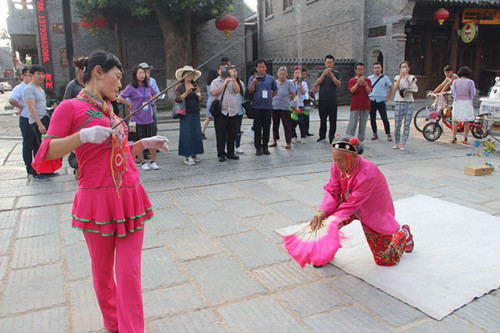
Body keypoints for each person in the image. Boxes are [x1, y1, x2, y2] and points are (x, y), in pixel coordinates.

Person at [31, 50, 170, 333]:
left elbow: (115, 154)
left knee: (129, 273)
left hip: (130, 195)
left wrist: (143, 143)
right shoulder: (69, 108)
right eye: (117, 77)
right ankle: (113, 321)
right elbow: (44, 154)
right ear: (98, 72)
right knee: (104, 273)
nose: (120, 85)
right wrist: (80, 137)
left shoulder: (110, 110)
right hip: (97, 201)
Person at [309, 135, 414, 266]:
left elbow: (353, 203)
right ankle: (326, 251)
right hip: (347, 205)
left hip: (372, 211)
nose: (337, 164)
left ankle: (404, 235)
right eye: (335, 159)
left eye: (340, 160)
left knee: (385, 259)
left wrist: (331, 220)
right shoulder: (337, 165)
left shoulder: (367, 172)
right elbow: (333, 190)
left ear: (353, 156)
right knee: (325, 223)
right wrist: (323, 211)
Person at [118, 65, 158, 170]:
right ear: (135, 75)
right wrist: (128, 103)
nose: (142, 75)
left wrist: (151, 101)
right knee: (137, 141)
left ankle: (153, 161)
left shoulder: (148, 86)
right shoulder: (131, 87)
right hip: (134, 120)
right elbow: (120, 97)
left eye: (143, 73)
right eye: (140, 73)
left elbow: (155, 94)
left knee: (152, 140)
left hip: (149, 118)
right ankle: (143, 162)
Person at [9, 68, 40, 179]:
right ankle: (29, 166)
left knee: (37, 144)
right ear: (23, 76)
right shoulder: (20, 88)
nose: (31, 78)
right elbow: (11, 99)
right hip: (26, 119)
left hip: (34, 119)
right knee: (28, 144)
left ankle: (38, 166)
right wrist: (20, 107)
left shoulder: (34, 88)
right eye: (29, 76)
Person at [210, 63, 241, 162]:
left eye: (226, 69)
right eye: (222, 69)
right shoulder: (215, 82)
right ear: (218, 71)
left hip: (232, 111)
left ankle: (231, 152)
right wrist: (224, 84)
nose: (224, 70)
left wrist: (233, 78)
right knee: (220, 134)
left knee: (232, 133)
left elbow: (237, 90)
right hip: (221, 112)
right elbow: (214, 93)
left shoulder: (232, 80)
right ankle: (221, 153)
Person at [174, 65, 204, 165]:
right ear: (183, 75)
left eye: (191, 74)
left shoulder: (195, 85)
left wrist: (198, 94)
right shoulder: (180, 86)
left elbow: (200, 99)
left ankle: (195, 153)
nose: (190, 76)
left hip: (195, 111)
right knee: (186, 134)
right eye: (187, 73)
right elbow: (177, 99)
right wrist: (186, 93)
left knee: (196, 134)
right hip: (185, 113)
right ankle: (187, 155)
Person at [248, 59, 278, 156]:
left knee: (266, 127)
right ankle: (258, 147)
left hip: (267, 107)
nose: (261, 69)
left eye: (263, 67)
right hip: (257, 106)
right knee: (257, 128)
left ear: (266, 67)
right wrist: (253, 83)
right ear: (256, 68)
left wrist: (269, 97)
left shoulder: (271, 79)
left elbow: (275, 91)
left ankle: (265, 146)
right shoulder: (252, 78)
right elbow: (250, 91)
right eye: (259, 67)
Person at [64, 57, 86, 179]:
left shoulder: (91, 85)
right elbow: (65, 105)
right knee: (78, 149)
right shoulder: (72, 86)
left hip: (90, 121)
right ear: (78, 71)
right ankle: (77, 168)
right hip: (77, 124)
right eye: (83, 70)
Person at [316, 55, 342, 144]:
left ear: (333, 63)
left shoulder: (336, 73)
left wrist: (332, 76)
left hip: (332, 100)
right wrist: (324, 74)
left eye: (331, 62)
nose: (329, 64)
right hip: (322, 100)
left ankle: (331, 137)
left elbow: (338, 84)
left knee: (333, 120)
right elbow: (318, 82)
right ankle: (322, 136)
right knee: (322, 119)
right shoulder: (321, 73)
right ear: (325, 63)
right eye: (328, 62)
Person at [393, 61, 418, 151]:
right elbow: (395, 88)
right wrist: (400, 77)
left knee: (407, 124)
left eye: (406, 67)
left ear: (409, 68)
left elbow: (409, 86)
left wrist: (406, 77)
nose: (404, 68)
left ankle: (403, 143)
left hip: (409, 102)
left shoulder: (412, 78)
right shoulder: (396, 77)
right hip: (399, 101)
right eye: (402, 67)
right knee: (397, 124)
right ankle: (396, 142)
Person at [450, 66, 476, 144]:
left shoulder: (455, 82)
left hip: (458, 102)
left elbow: (452, 92)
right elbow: (473, 93)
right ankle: (465, 138)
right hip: (467, 102)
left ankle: (454, 137)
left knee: (455, 120)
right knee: (466, 121)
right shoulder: (470, 82)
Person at [368, 62, 394, 141]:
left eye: (378, 67)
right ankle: (374, 133)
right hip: (372, 100)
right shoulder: (370, 78)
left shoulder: (385, 78)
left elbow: (391, 87)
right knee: (372, 118)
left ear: (381, 68)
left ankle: (388, 134)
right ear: (373, 69)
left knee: (384, 118)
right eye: (375, 68)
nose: (377, 69)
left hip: (381, 101)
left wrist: (388, 97)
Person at [270, 66, 295, 149]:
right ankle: (275, 140)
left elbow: (293, 94)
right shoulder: (275, 82)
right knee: (275, 125)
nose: (282, 76)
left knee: (287, 125)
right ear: (278, 75)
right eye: (280, 74)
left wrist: (288, 101)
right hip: (275, 106)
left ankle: (288, 142)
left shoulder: (289, 83)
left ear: (286, 75)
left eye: (283, 74)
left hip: (285, 108)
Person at [346, 63, 372, 142]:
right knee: (352, 123)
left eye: (362, 69)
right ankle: (348, 139)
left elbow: (369, 92)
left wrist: (366, 85)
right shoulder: (352, 80)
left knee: (363, 124)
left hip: (365, 105)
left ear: (364, 70)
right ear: (356, 70)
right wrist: (357, 83)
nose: (360, 71)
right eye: (359, 69)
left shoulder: (368, 80)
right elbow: (352, 91)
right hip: (355, 105)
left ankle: (360, 141)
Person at [290, 66, 309, 144]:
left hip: (300, 104)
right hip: (292, 104)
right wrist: (293, 82)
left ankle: (303, 136)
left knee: (301, 121)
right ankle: (293, 136)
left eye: (298, 73)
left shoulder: (304, 83)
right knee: (292, 122)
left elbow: (304, 93)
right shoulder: (290, 82)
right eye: (295, 73)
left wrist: (300, 84)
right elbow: (288, 91)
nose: (297, 74)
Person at [201, 69, 219, 140]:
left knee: (208, 118)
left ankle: (202, 131)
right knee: (213, 118)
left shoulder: (208, 83)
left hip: (210, 101)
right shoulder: (214, 83)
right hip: (214, 101)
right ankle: (202, 131)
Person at [234, 67, 246, 154]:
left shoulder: (241, 83)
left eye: (235, 71)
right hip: (230, 111)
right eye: (232, 71)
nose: (234, 73)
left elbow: (243, 95)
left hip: (239, 110)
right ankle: (230, 146)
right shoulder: (228, 82)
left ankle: (237, 145)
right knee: (230, 131)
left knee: (238, 129)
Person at [301, 68, 314, 137]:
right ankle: (302, 131)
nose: (304, 76)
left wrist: (310, 98)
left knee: (306, 117)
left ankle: (306, 131)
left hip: (306, 101)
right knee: (301, 118)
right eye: (302, 74)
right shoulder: (297, 82)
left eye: (305, 74)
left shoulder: (305, 82)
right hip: (300, 101)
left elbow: (307, 92)